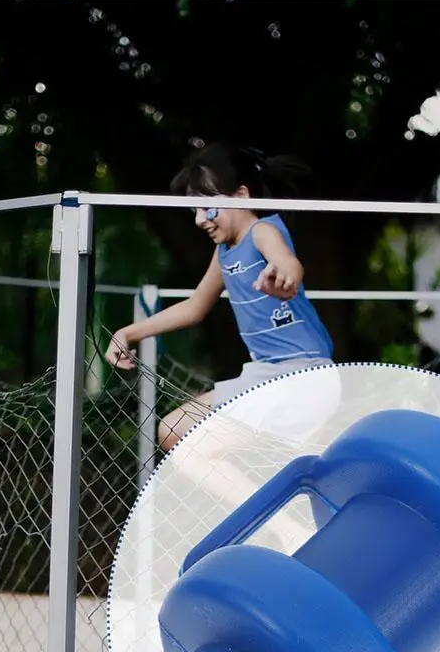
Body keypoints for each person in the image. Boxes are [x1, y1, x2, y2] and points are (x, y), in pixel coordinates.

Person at [104, 143, 335, 452]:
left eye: (208, 208)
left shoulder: (262, 230)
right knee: (174, 431)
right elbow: (195, 307)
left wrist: (284, 279)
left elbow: (289, 265)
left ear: (241, 196)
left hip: (302, 377)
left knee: (198, 444)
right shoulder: (224, 252)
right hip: (264, 376)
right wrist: (128, 333)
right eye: (194, 210)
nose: (200, 220)